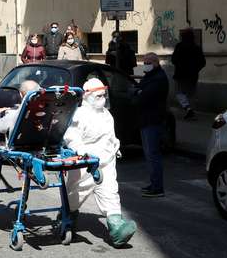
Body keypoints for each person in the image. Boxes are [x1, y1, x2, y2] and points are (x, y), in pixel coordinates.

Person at [64, 78, 137, 247]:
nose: (102, 98)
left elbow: (110, 135)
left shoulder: (106, 114)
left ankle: (117, 228)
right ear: (87, 96)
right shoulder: (79, 115)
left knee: (110, 192)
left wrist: (115, 145)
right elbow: (71, 137)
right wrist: (83, 152)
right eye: (98, 96)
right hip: (86, 164)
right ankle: (67, 218)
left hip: (107, 161)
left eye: (104, 95)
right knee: (77, 194)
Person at [138, 53, 169, 198]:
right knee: (149, 155)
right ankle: (154, 184)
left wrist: (138, 93)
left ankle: (158, 187)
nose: (145, 65)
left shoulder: (158, 78)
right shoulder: (149, 76)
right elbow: (138, 91)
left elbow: (143, 97)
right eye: (144, 62)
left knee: (153, 155)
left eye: (148, 62)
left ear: (156, 62)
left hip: (153, 120)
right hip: (146, 119)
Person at [171, 28, 206, 120]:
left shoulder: (179, 46)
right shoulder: (197, 48)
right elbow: (202, 62)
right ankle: (191, 110)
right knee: (191, 94)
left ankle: (188, 108)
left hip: (180, 75)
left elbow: (173, 60)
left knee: (179, 92)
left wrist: (179, 66)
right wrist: (196, 69)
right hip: (193, 76)